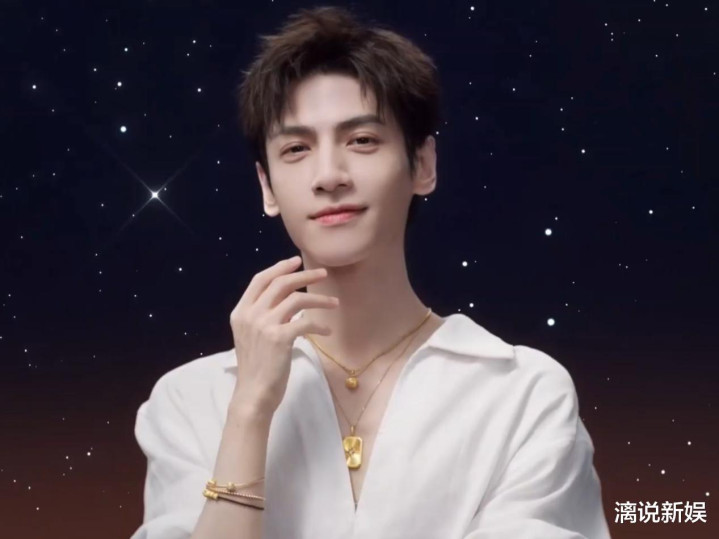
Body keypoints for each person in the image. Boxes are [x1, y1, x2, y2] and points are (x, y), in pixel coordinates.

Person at [131, 6, 611, 539]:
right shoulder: (188, 401)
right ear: (267, 187)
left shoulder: (522, 394)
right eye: (296, 149)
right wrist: (248, 411)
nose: (329, 176)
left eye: (361, 140)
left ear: (422, 164)